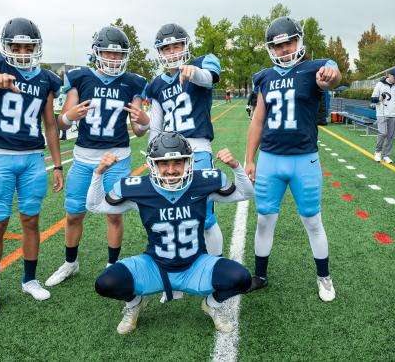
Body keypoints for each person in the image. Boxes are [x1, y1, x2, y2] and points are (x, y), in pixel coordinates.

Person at [90, 132, 253, 334]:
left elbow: (246, 193)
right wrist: (99, 173)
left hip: (195, 265)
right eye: (163, 164)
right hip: (155, 266)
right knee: (106, 283)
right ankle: (135, 303)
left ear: (189, 162)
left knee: (242, 278)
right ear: (153, 165)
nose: (170, 170)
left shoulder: (203, 184)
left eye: (178, 163)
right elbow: (95, 205)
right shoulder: (140, 189)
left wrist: (236, 167)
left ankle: (212, 304)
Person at [244, 17, 341, 301]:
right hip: (270, 159)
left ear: (299, 41)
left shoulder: (314, 68)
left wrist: (330, 75)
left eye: (289, 42)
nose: (285, 49)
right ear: (271, 48)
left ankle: (324, 277)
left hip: (304, 159)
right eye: (279, 45)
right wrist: (249, 159)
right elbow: (257, 121)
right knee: (264, 220)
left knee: (312, 221)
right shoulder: (264, 77)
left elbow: (333, 74)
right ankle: (260, 275)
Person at [0, 17, 64, 315]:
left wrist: (58, 164)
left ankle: (29, 279)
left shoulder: (47, 79)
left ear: (37, 47)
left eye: (28, 46)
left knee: (31, 221)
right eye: (17, 46)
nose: (23, 51)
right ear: (7, 46)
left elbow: (50, 125)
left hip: (33, 158)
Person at [45, 25, 149, 287]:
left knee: (114, 214)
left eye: (118, 54)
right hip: (83, 158)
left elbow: (137, 131)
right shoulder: (79, 77)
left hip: (116, 157)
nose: (113, 59)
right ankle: (71, 262)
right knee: (73, 214)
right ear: (97, 52)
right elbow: (62, 123)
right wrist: (69, 116)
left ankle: (112, 265)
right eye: (108, 53)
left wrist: (145, 121)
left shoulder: (133, 82)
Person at [146, 23, 224, 264]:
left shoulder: (202, 63)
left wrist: (193, 72)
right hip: (167, 154)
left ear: (185, 46)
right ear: (160, 52)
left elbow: (209, 79)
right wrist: (151, 154)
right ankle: (179, 266)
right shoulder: (157, 84)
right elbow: (156, 127)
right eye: (167, 49)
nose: (172, 52)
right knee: (172, 215)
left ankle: (215, 268)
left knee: (206, 217)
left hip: (198, 150)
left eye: (176, 46)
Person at [371, 68, 395, 164]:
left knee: (390, 136)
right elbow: (373, 99)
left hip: (393, 114)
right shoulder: (380, 84)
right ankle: (377, 152)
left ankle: (386, 155)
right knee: (383, 133)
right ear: (389, 75)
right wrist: (379, 98)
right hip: (382, 113)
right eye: (394, 77)